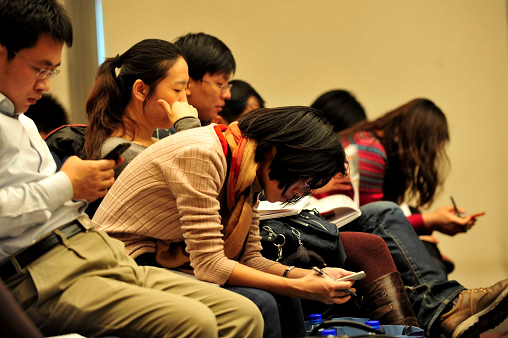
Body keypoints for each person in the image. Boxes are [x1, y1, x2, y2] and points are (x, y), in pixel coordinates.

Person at [0, 1, 263, 337]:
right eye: (40, 68)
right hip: (41, 271)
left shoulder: (20, 121)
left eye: (52, 72)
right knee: (197, 320)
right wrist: (66, 185)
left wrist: (74, 192)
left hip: (91, 249)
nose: (46, 84)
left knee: (243, 314)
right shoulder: (124, 148)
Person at [94, 106, 419, 335]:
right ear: (282, 154)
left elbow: (249, 258)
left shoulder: (244, 165)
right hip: (124, 263)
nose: (301, 191)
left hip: (164, 261)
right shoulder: (203, 154)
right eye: (305, 181)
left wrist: (309, 276)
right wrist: (300, 285)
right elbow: (211, 265)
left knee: (285, 295)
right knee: (264, 301)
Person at [84, 39, 200, 178]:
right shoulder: (123, 153)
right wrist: (188, 124)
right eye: (177, 89)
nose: (184, 100)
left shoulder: (155, 141)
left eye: (185, 89)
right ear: (141, 90)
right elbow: (198, 177)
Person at [175, 32, 235, 125]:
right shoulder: (160, 136)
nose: (227, 95)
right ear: (186, 84)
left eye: (227, 85)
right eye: (220, 84)